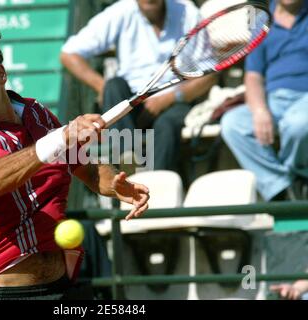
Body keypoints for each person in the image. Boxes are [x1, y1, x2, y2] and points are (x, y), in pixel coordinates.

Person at [0, 18, 150, 300]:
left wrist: (112, 183)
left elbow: (84, 168)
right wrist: (59, 137)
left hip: (60, 288)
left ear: (1, 74)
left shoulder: (36, 113)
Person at [60, 0, 216, 172]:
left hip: (177, 102)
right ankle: (127, 164)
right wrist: (101, 86)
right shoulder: (120, 12)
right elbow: (69, 54)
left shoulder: (190, 13)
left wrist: (168, 99)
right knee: (113, 86)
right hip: (131, 101)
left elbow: (209, 74)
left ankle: (155, 186)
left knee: (166, 124)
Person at [221, 0, 308, 201]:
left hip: (305, 98)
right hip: (274, 100)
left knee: (299, 124)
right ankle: (282, 189)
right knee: (232, 124)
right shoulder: (260, 20)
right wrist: (260, 110)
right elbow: (253, 76)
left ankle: (300, 179)